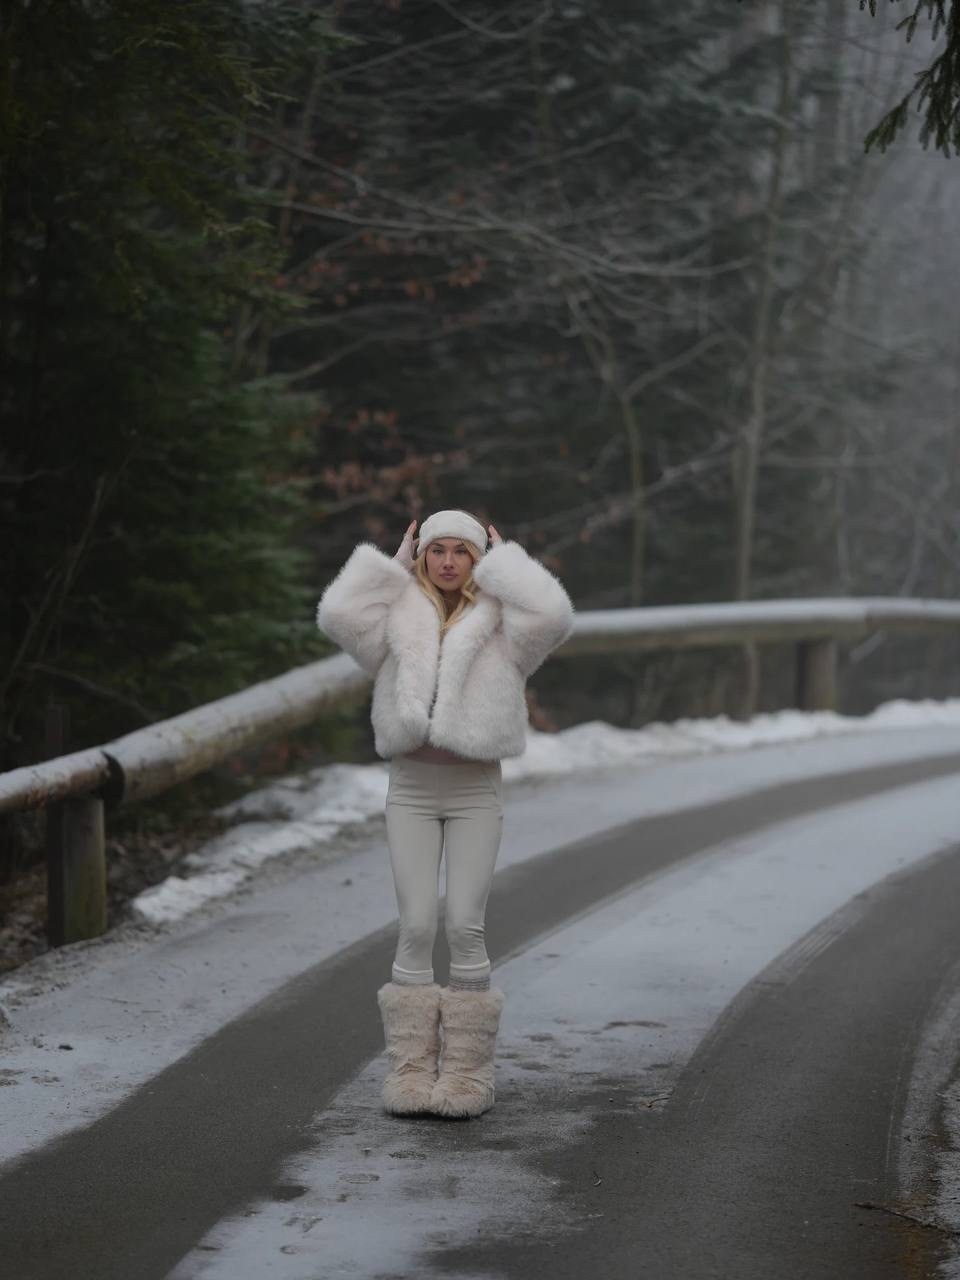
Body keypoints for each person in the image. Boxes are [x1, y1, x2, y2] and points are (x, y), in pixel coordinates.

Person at [315, 509, 575, 1118]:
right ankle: (408, 1072)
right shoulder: (397, 617)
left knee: (464, 924)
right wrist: (393, 568)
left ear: (478, 559)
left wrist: (507, 560)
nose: (450, 562)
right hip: (409, 787)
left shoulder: (505, 626)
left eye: (463, 551)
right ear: (425, 556)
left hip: (474, 789)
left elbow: (555, 616)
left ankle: (466, 1076)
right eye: (438, 551)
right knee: (415, 925)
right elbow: (336, 617)